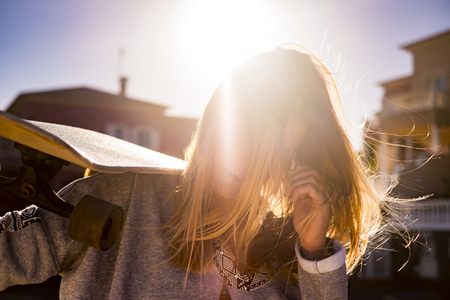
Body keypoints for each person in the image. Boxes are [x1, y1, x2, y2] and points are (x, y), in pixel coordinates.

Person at [0, 46, 385, 299]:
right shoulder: (122, 198)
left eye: (268, 148)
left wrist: (316, 252)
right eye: (237, 127)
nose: (240, 154)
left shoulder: (285, 254)